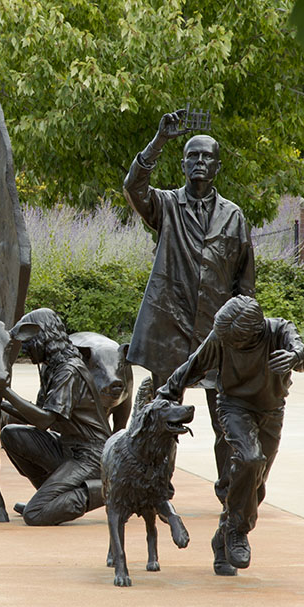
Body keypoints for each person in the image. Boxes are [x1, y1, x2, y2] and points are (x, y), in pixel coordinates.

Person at [123, 110, 256, 563]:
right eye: (191, 156)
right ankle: (136, 495)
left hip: (216, 340)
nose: (199, 162)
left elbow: (245, 287)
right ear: (182, 165)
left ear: (218, 167)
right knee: (154, 423)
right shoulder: (166, 206)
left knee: (230, 432)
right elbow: (133, 188)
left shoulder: (234, 217)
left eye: (207, 157)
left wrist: (245, 340)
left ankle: (231, 525)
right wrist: (159, 138)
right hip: (170, 331)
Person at [157, 295, 304, 575]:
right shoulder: (222, 337)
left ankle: (222, 537)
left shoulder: (278, 331)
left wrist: (294, 357)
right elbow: (193, 365)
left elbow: (301, 350)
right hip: (233, 406)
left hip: (271, 410)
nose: (228, 344)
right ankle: (238, 533)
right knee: (250, 459)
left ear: (255, 332)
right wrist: (165, 396)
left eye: (235, 342)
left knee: (254, 484)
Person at [0, 308, 111, 526]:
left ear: (43, 337)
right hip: (67, 447)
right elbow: (39, 415)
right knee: (11, 434)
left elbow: (44, 421)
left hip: (90, 456)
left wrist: (5, 392)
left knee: (34, 515)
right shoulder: (51, 368)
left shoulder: (69, 370)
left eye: (28, 342)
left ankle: (109, 491)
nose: (26, 349)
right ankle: (50, 499)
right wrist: (0, 403)